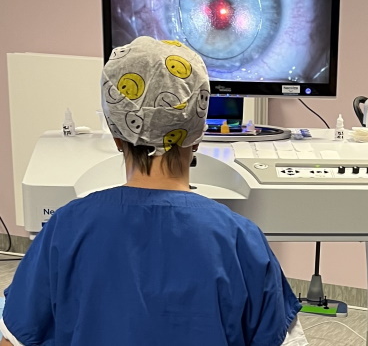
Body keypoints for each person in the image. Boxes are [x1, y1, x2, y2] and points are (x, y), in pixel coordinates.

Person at [1, 36, 307, 346]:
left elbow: (14, 338)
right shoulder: (241, 240)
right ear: (198, 135)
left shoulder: (65, 228)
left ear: (116, 135)